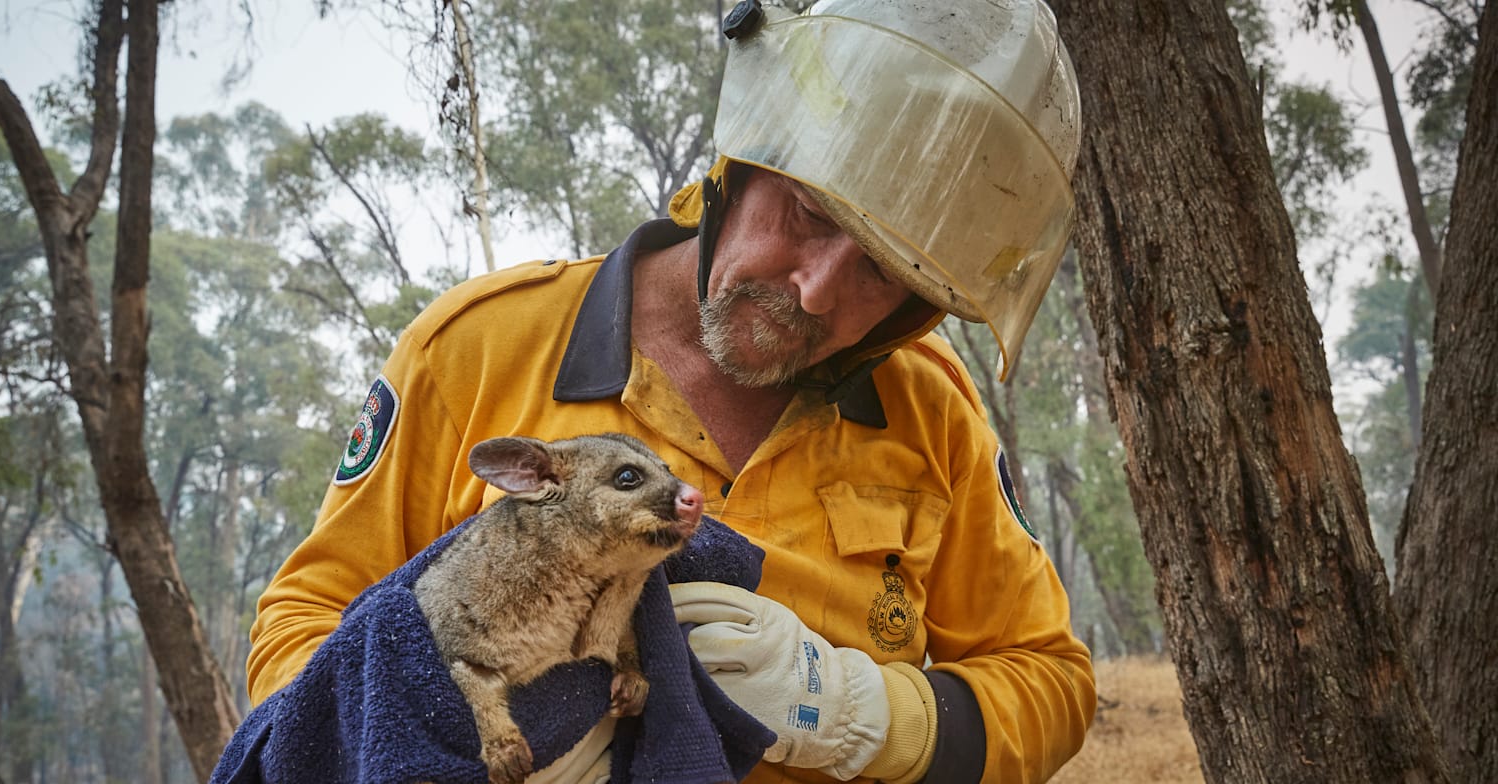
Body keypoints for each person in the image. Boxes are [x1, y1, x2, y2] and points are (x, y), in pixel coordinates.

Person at [246, 0, 1095, 781]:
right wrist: (444, 740)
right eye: (810, 212)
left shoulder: (933, 413)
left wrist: (866, 714)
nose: (815, 291)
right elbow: (304, 625)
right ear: (747, 155)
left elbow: (1050, 685)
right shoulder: (474, 350)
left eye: (882, 273)